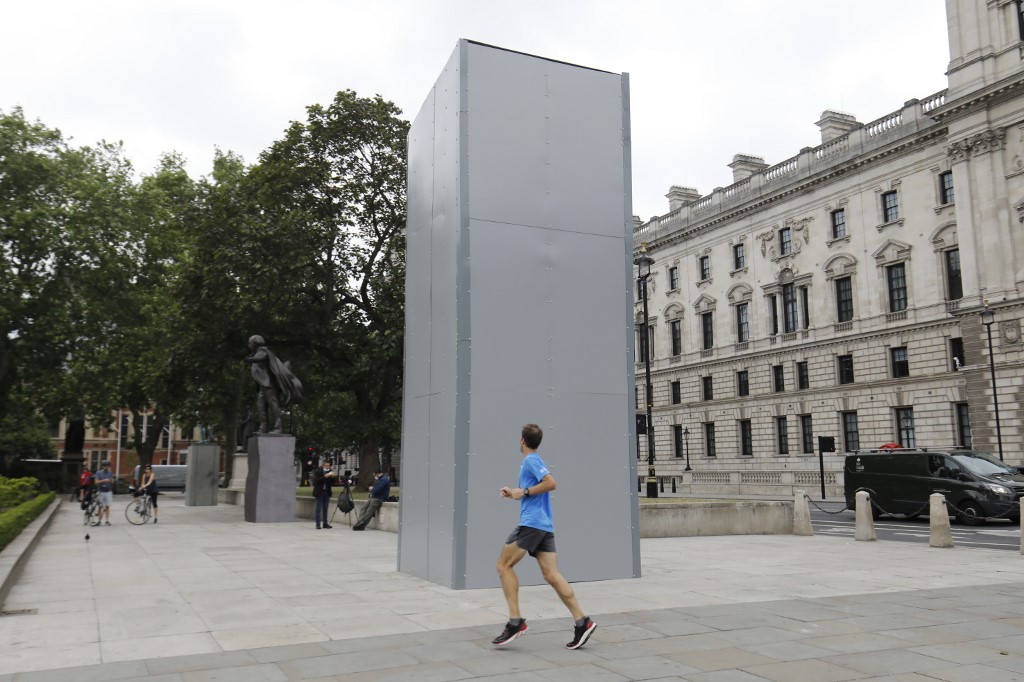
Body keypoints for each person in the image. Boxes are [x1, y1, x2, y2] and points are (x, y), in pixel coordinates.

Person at [493, 423, 596, 650]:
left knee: (503, 565)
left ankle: (515, 622)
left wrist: (524, 491)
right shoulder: (532, 462)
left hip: (532, 524)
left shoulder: (531, 460)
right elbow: (532, 490)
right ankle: (582, 622)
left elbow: (551, 483)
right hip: (543, 525)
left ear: (522, 440)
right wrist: (515, 492)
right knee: (551, 574)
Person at [311, 459, 336, 529]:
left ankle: (325, 523)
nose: (327, 467)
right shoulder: (317, 471)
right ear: (323, 465)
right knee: (318, 509)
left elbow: (333, 482)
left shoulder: (330, 471)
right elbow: (316, 481)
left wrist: (332, 477)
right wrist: (324, 476)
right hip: (319, 492)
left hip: (327, 492)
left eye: (328, 466)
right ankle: (318, 524)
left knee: (325, 509)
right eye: (326, 466)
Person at [94, 461, 114, 526]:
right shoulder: (98, 473)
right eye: (105, 466)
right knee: (100, 506)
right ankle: (99, 521)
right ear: (102, 466)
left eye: (108, 466)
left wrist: (111, 480)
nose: (107, 467)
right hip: (101, 491)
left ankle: (107, 520)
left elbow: (112, 481)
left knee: (107, 506)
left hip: (108, 491)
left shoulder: (110, 473)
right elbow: (96, 482)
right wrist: (103, 480)